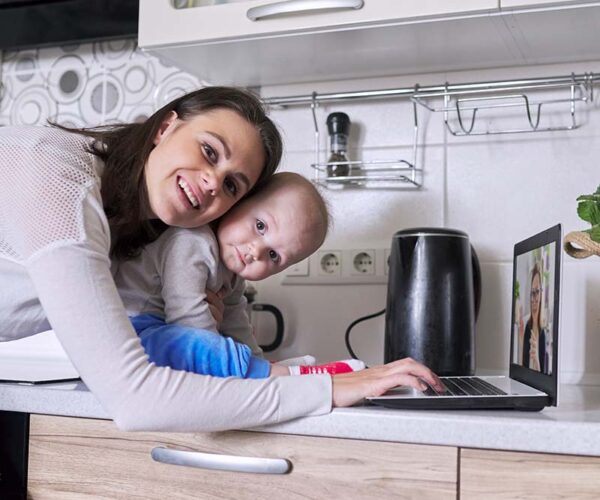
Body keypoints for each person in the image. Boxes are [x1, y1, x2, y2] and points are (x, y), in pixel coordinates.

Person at [0, 85, 443, 433]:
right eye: (209, 151)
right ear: (165, 128)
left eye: (233, 186)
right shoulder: (59, 182)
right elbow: (135, 400)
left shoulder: (144, 227)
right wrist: (325, 388)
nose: (212, 182)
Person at [115, 171, 365, 378]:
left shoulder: (233, 272)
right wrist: (221, 361)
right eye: (260, 226)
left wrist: (254, 355)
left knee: (202, 344)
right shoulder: (193, 241)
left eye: (274, 256)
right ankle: (273, 374)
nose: (256, 250)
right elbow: (188, 317)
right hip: (131, 330)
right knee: (179, 343)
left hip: (164, 332)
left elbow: (236, 321)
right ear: (239, 202)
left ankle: (266, 370)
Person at [520, 264, 548, 373]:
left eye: (537, 292)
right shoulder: (528, 327)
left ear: (541, 294)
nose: (534, 299)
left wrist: (536, 360)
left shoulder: (544, 333)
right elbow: (523, 369)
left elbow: (545, 378)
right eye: (532, 293)